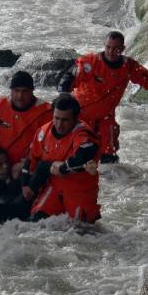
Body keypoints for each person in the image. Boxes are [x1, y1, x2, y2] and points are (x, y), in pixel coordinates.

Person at [59, 31, 148, 163]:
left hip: (106, 118)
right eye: (108, 47)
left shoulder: (128, 66)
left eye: (115, 48)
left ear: (123, 49)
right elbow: (69, 77)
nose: (111, 51)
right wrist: (63, 97)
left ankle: (113, 182)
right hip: (81, 115)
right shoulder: (91, 62)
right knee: (77, 156)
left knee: (109, 158)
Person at [24, 94, 102, 222]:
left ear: (76, 119)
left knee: (82, 232)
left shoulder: (83, 134)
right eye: (56, 118)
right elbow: (31, 159)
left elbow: (83, 156)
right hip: (54, 187)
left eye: (65, 120)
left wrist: (57, 167)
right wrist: (25, 184)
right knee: (34, 223)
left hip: (79, 190)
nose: (59, 124)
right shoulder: (43, 131)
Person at [0, 70, 52, 178]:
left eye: (25, 91)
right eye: (16, 90)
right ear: (11, 90)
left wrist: (29, 163)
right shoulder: (2, 104)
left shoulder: (46, 112)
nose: (20, 96)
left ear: (32, 91)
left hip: (27, 171)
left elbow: (52, 147)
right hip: (1, 168)